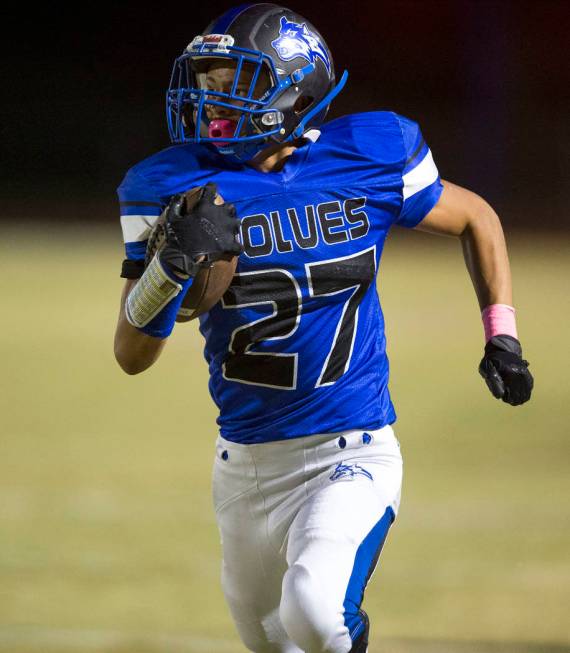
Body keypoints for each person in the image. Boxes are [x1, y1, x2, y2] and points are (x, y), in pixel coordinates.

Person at [113, 4, 534, 652]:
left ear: (291, 90)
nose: (210, 101)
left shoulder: (368, 153)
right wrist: (170, 268)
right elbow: (131, 353)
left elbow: (476, 215)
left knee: (316, 613)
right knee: (272, 641)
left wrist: (500, 332)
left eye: (232, 84)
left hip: (352, 450)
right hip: (244, 465)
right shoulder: (173, 186)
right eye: (207, 83)